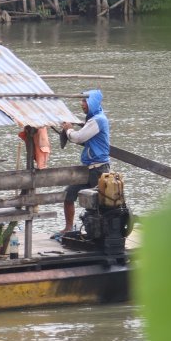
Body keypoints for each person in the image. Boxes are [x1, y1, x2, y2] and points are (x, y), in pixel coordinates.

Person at [57, 89, 111, 238]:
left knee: (97, 203)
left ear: (92, 102)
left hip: (99, 169)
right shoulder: (92, 120)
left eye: (85, 101)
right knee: (69, 193)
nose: (82, 104)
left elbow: (79, 137)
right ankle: (68, 227)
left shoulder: (98, 120)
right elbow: (85, 129)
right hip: (89, 169)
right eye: (82, 101)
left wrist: (68, 130)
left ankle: (100, 231)